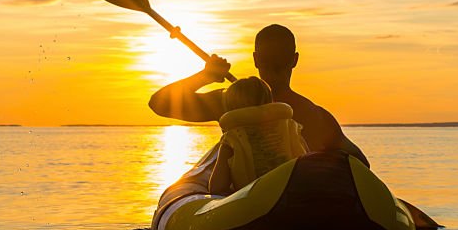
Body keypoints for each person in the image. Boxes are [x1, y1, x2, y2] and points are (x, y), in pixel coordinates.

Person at [149, 24, 369, 166]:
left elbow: (159, 103)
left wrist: (206, 76)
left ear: (255, 59)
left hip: (246, 211)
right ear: (294, 60)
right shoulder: (318, 117)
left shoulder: (229, 102)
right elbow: (361, 163)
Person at [208, 76, 309, 194]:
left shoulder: (231, 138)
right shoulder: (291, 127)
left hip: (256, 202)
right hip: (296, 194)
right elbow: (309, 160)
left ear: (229, 108)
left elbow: (217, 187)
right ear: (270, 101)